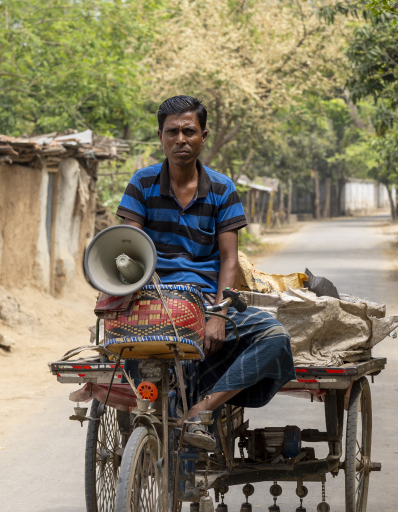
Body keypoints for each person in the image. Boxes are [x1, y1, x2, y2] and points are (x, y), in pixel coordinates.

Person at [117, 95, 295, 450]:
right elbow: (126, 245)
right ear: (160, 137)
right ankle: (144, 426)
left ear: (203, 136)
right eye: (172, 132)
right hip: (153, 298)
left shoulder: (222, 189)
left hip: (202, 303)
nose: (180, 140)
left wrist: (218, 313)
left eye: (189, 131)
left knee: (274, 337)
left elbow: (229, 259)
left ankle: (202, 409)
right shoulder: (142, 183)